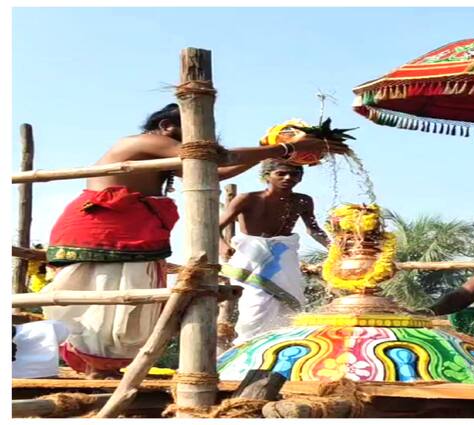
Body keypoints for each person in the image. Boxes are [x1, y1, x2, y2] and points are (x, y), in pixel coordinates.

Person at [42, 104, 350, 378]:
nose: (203, 144)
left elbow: (213, 172)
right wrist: (281, 149)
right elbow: (214, 162)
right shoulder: (146, 142)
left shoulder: (166, 153)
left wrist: (269, 150)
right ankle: (96, 368)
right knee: (102, 303)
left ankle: (104, 370)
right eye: (195, 136)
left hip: (133, 235)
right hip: (105, 231)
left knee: (124, 311)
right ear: (167, 126)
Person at [219, 159, 330, 345]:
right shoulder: (247, 199)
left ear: (300, 178)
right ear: (267, 176)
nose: (288, 178)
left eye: (294, 174)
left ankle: (283, 346)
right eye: (281, 173)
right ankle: (248, 347)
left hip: (285, 257)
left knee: (290, 303)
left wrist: (336, 247)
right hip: (252, 258)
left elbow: (313, 229)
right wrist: (224, 247)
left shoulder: (303, 201)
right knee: (255, 305)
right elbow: (216, 227)